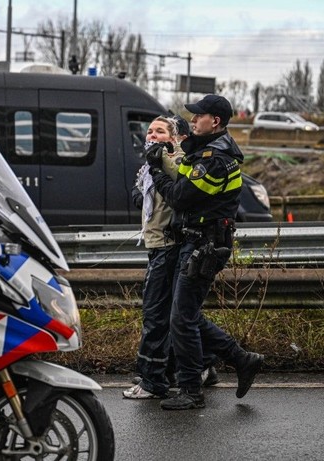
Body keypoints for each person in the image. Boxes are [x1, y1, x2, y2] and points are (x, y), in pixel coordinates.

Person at [146, 94, 264, 410]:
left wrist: (156, 169)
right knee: (185, 315)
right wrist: (168, 160)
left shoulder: (216, 159)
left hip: (205, 246)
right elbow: (183, 178)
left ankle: (191, 390)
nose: (193, 120)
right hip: (196, 242)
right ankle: (242, 359)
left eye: (199, 116)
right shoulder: (205, 151)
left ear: (215, 121)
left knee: (181, 318)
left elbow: (180, 197)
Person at [123, 116, 218, 400]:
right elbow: (140, 191)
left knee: (156, 315)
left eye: (160, 131)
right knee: (170, 316)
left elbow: (180, 189)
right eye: (150, 130)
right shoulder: (151, 163)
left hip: (167, 246)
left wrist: (160, 164)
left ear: (174, 138)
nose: (152, 134)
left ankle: (154, 381)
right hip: (155, 245)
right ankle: (200, 364)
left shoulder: (174, 160)